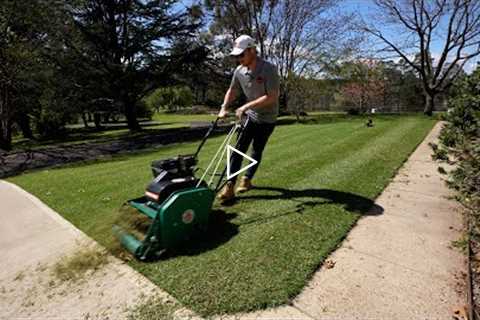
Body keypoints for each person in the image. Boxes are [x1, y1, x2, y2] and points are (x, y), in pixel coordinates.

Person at [217, 35, 280, 201]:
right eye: (236, 56)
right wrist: (224, 108)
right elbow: (232, 91)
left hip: (267, 118)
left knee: (256, 150)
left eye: (241, 55)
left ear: (252, 50)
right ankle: (229, 186)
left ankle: (247, 179)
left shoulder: (269, 69)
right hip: (250, 116)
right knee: (238, 149)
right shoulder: (239, 71)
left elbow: (272, 97)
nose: (238, 59)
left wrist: (246, 106)